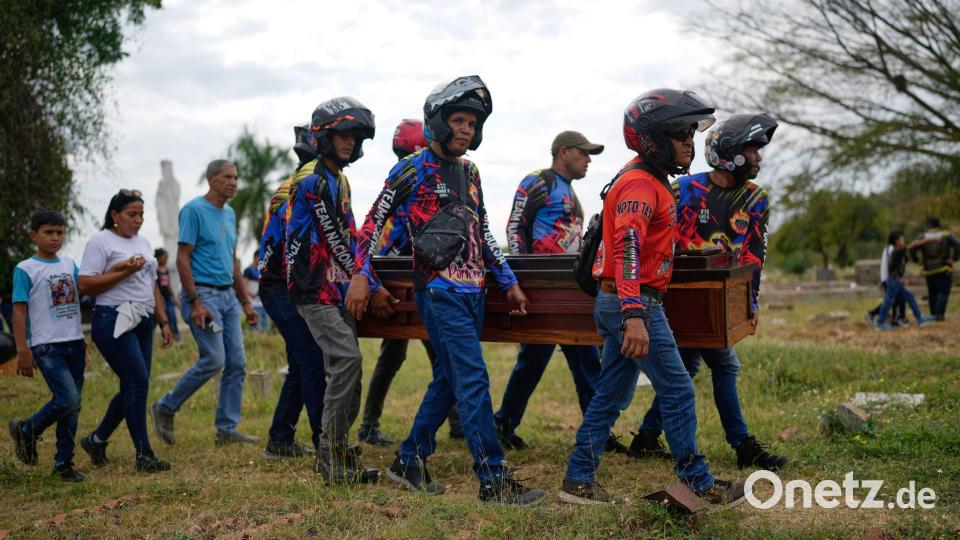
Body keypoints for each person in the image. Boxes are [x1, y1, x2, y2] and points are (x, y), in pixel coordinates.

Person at [347, 75, 546, 506]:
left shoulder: (471, 172)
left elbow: (484, 231)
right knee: (473, 378)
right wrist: (363, 274)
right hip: (438, 291)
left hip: (475, 291)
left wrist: (508, 282)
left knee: (448, 378)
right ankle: (492, 480)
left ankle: (409, 460)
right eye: (458, 120)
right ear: (438, 121)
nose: (465, 130)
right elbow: (370, 224)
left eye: (472, 124)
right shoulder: (411, 168)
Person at [560, 89, 744, 506]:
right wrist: (634, 316)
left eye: (690, 134)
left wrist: (695, 252)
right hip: (633, 303)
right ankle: (697, 480)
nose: (688, 142)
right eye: (679, 134)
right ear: (653, 138)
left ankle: (577, 479)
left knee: (611, 394)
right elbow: (627, 250)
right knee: (678, 390)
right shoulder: (641, 185)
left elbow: (646, 245)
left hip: (623, 300)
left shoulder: (647, 180)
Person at [628, 113, 788, 471]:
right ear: (730, 152)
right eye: (753, 150)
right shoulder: (683, 189)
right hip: (678, 295)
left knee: (687, 364)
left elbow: (753, 255)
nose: (759, 158)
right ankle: (742, 444)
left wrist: (751, 300)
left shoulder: (755, 198)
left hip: (721, 297)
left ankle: (647, 435)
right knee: (723, 365)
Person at [495, 130, 624, 453]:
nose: (589, 160)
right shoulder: (538, 181)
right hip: (543, 286)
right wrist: (521, 279)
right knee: (537, 360)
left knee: (581, 357)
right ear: (564, 152)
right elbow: (515, 226)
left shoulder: (571, 192)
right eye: (584, 153)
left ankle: (597, 433)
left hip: (570, 287)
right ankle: (504, 425)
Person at [285, 97, 379, 483]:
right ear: (324, 135)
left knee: (350, 369)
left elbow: (353, 237)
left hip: (335, 289)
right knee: (347, 361)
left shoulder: (339, 180)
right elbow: (336, 243)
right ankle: (328, 455)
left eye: (355, 136)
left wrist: (368, 278)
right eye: (342, 134)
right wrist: (364, 279)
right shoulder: (310, 180)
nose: (349, 142)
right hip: (313, 288)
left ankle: (338, 450)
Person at [356, 118, 462, 447]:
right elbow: (375, 233)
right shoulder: (413, 180)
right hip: (403, 282)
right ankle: (371, 425)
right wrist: (372, 283)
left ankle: (456, 421)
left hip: (406, 279)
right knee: (424, 354)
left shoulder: (411, 179)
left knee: (421, 355)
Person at [151, 160, 260, 446]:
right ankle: (165, 406)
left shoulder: (230, 214)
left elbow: (233, 262)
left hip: (227, 297)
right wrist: (195, 301)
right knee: (214, 359)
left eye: (236, 177)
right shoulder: (194, 210)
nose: (234, 182)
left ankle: (226, 428)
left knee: (237, 363)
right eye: (227, 177)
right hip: (203, 296)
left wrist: (246, 303)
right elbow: (182, 258)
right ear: (211, 179)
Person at [77, 190, 174, 473]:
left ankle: (96, 440)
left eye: (142, 214)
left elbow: (152, 286)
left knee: (134, 384)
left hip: (143, 319)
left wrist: (164, 321)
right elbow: (85, 284)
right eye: (132, 214)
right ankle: (144, 454)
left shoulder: (142, 242)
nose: (138, 219)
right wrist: (124, 272)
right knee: (137, 381)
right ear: (115, 215)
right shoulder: (100, 242)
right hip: (113, 319)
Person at [258, 125, 326, 460]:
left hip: (284, 284)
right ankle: (324, 442)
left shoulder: (294, 182)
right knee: (312, 359)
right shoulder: (304, 185)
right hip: (281, 286)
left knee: (302, 363)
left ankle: (281, 439)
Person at [8, 210, 87, 481]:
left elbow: (83, 293)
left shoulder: (69, 264)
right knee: (68, 398)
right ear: (34, 235)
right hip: (46, 345)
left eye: (60, 232)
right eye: (49, 232)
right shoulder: (25, 269)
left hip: (75, 342)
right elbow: (19, 311)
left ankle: (64, 464)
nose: (55, 238)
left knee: (73, 407)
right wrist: (22, 350)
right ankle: (28, 429)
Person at [875, 230, 937, 330]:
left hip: (895, 281)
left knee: (909, 297)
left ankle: (920, 318)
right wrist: (929, 239)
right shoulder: (897, 250)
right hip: (893, 281)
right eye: (902, 238)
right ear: (897, 241)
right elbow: (913, 244)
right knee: (888, 301)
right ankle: (880, 323)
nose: (904, 240)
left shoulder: (896, 250)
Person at [910, 217, 959, 321]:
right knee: (943, 292)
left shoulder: (922, 236)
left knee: (932, 293)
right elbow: (958, 244)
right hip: (943, 268)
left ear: (928, 226)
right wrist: (954, 259)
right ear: (939, 225)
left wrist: (917, 260)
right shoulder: (946, 235)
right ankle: (939, 315)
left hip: (928, 270)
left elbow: (912, 248)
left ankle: (933, 315)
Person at [867, 240, 908, 327]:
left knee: (893, 300)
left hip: (889, 278)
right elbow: (891, 266)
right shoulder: (891, 249)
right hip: (891, 279)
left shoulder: (890, 249)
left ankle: (894, 318)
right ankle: (874, 314)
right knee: (894, 300)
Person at [155, 248, 182, 343]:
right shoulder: (155, 271)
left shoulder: (165, 270)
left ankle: (177, 338)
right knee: (162, 321)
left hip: (168, 299)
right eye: (164, 256)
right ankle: (166, 338)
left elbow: (168, 284)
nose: (166, 258)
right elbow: (156, 287)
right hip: (159, 301)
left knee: (172, 318)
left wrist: (174, 297)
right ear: (158, 257)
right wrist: (159, 299)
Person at [242, 252, 269, 332]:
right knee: (255, 328)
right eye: (260, 258)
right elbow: (243, 285)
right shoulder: (248, 270)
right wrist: (250, 294)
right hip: (253, 304)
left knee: (265, 328)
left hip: (262, 304)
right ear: (256, 257)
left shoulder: (261, 270)